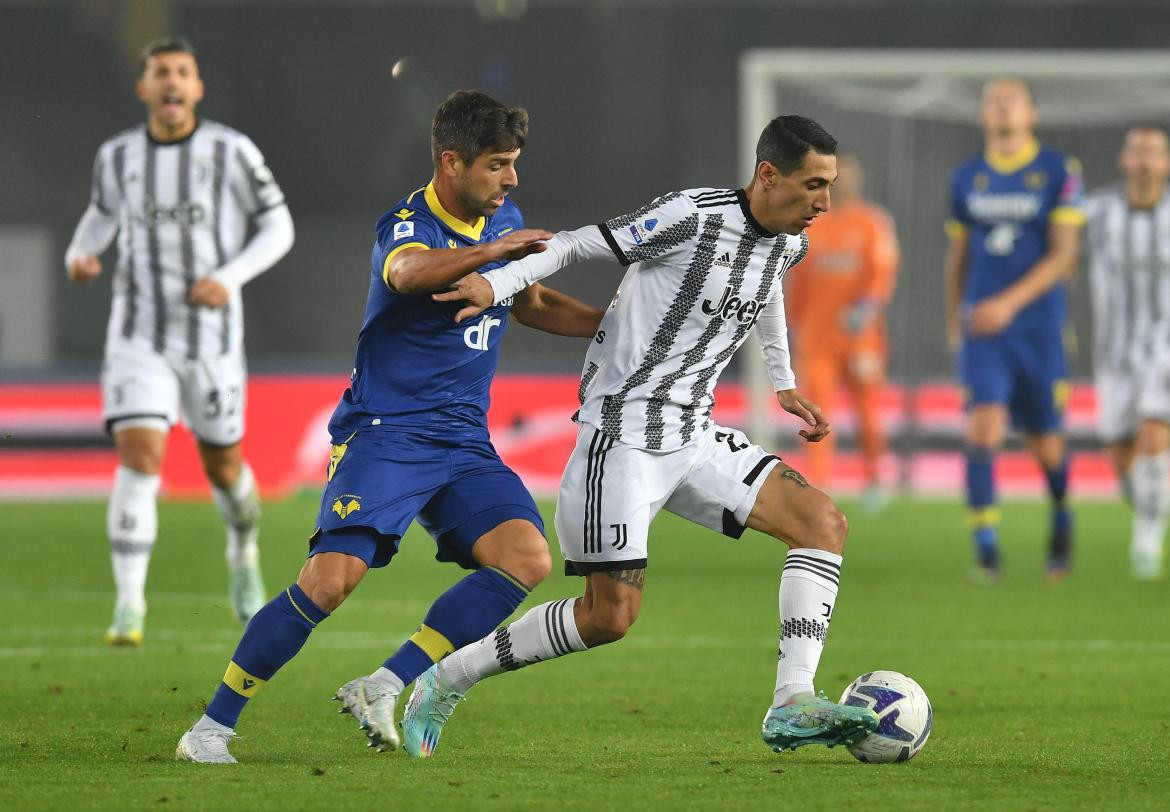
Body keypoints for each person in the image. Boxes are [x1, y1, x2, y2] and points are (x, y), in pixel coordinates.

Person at [401, 114, 880, 758]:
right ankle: (444, 678)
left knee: (823, 524)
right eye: (813, 184)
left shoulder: (787, 241)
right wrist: (497, 282)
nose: (825, 201)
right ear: (768, 175)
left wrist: (784, 382)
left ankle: (792, 700)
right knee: (608, 618)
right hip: (621, 438)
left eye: (831, 184)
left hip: (694, 435)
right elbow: (571, 244)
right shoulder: (691, 216)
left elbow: (766, 296)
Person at [175, 90, 603, 764]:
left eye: (515, 164)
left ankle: (384, 683)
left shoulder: (505, 217)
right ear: (452, 162)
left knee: (526, 559)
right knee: (330, 580)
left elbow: (533, 302)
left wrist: (615, 324)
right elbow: (407, 275)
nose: (511, 180)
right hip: (389, 432)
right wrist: (493, 250)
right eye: (498, 165)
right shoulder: (407, 224)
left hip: (463, 439)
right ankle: (210, 728)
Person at [64, 37, 295, 646]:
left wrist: (229, 276)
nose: (172, 82)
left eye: (182, 73)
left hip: (212, 340)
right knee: (140, 454)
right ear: (144, 89)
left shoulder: (230, 151)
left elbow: (278, 224)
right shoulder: (116, 157)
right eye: (160, 73)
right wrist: (80, 253)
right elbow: (100, 215)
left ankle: (243, 552)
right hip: (138, 334)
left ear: (196, 88)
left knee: (223, 466)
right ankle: (129, 605)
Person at [944, 77, 1084, 583]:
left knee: (1046, 441)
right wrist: (954, 319)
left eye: (1012, 99)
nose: (1001, 106)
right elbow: (958, 256)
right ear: (984, 115)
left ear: (1031, 113)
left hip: (1039, 328)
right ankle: (986, 551)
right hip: (984, 329)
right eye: (992, 100)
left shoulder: (1057, 172)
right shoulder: (965, 178)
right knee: (982, 428)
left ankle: (1062, 516)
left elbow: (1065, 254)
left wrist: (1008, 304)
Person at [785, 154, 899, 507]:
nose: (843, 184)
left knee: (867, 411)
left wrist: (865, 310)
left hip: (860, 338)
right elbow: (795, 279)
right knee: (816, 411)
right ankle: (818, 483)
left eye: (848, 178)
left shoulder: (872, 222)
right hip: (818, 339)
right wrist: (795, 324)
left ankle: (875, 479)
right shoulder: (809, 223)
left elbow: (882, 275)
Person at [1084, 126, 1170, 580]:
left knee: (1155, 430)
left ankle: (1148, 539)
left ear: (1165, 164)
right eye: (1136, 151)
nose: (1143, 160)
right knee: (1122, 455)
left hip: (1164, 346)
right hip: (1112, 351)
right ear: (1123, 160)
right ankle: (1152, 507)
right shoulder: (1097, 212)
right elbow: (1057, 246)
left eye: (1153, 152)